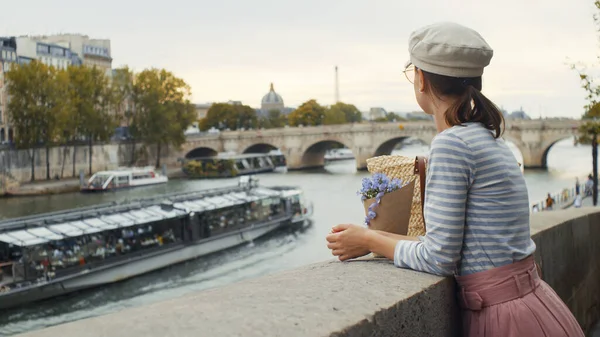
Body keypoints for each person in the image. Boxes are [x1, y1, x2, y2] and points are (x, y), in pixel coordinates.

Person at [325, 22, 583, 337]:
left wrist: (368, 239)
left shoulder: (452, 144)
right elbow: (450, 245)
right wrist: (372, 242)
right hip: (532, 304)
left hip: (501, 318)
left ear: (420, 80)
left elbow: (438, 258)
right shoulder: (488, 138)